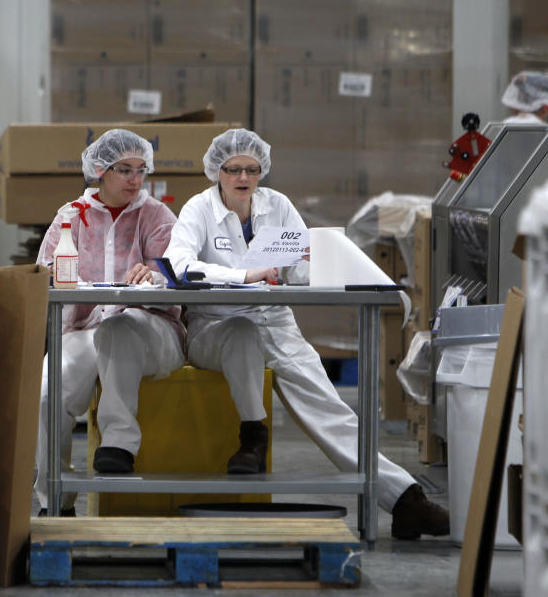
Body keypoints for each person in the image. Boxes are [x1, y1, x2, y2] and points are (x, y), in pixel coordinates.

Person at [163, 128, 450, 540]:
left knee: (328, 408)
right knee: (242, 333)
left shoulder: (277, 205)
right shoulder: (198, 210)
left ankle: (406, 500)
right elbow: (179, 263)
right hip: (217, 324)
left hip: (275, 321)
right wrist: (244, 274)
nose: (243, 177)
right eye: (233, 169)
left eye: (252, 169)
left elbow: (301, 263)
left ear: (262, 171)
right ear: (217, 172)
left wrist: (309, 263)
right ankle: (252, 439)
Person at [33, 129, 186, 515]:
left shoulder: (157, 216)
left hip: (150, 328)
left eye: (140, 170)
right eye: (124, 170)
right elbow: (43, 271)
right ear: (99, 170)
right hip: (85, 329)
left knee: (120, 329)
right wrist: (67, 281)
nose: (135, 180)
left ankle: (118, 445)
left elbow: (177, 270)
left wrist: (153, 276)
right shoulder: (72, 216)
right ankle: (56, 500)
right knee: (48, 392)